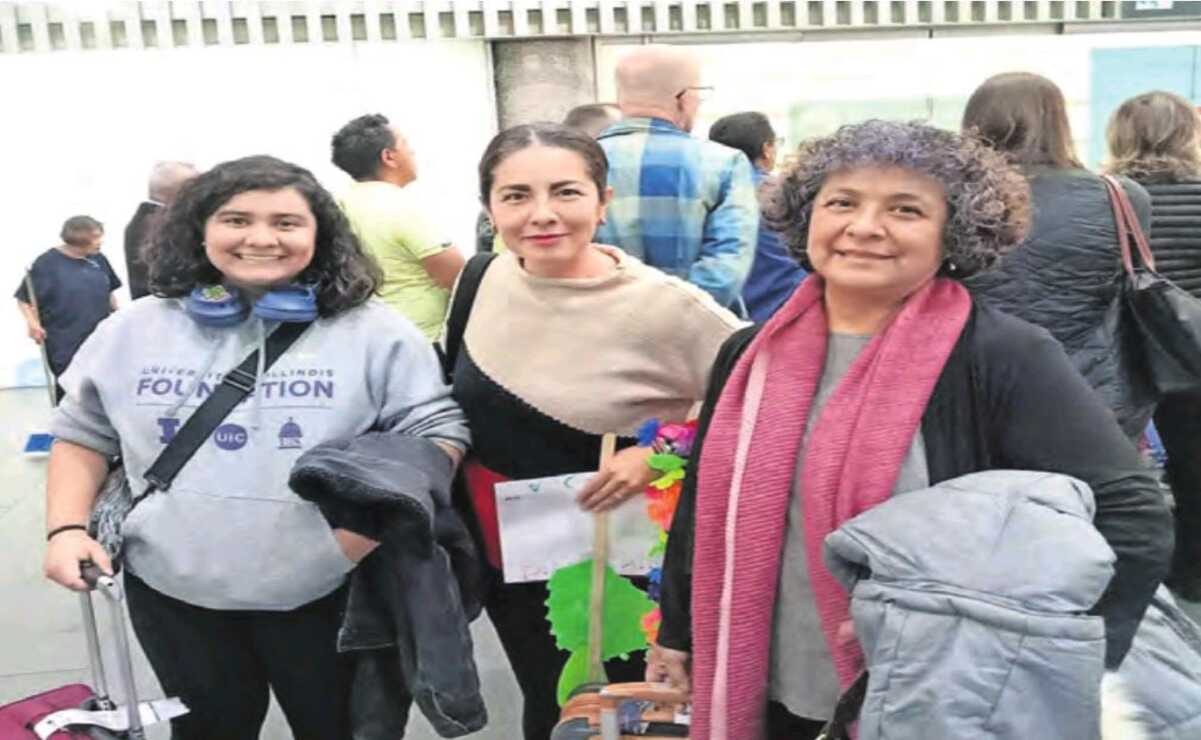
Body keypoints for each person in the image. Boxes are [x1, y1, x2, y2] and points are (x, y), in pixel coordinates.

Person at [648, 120, 1172, 739]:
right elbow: (705, 505)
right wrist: (678, 634)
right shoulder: (749, 355)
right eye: (841, 202)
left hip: (934, 696)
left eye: (905, 209)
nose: (865, 227)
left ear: (953, 233)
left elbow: (1133, 514)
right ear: (806, 217)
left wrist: (1047, 659)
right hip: (766, 685)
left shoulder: (1000, 356)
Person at [42, 155, 469, 740]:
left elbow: (436, 435)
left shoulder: (375, 331)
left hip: (329, 596)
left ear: (319, 234)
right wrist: (65, 529)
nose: (261, 238)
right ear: (200, 228)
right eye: (236, 219)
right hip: (173, 592)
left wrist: (349, 541)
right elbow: (81, 433)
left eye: (287, 222)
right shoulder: (134, 328)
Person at [448, 122, 743, 739]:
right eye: (516, 196)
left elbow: (758, 399)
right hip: (510, 553)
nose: (542, 214)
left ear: (603, 201)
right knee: (545, 692)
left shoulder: (665, 305)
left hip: (626, 558)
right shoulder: (481, 281)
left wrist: (661, 452)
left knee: (628, 711)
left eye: (567, 192)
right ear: (489, 207)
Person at [963, 71, 1156, 441]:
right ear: (1059, 124)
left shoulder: (952, 198)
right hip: (1092, 387)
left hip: (975, 385)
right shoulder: (1121, 196)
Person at [1107, 90, 1201, 601]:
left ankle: (1130, 577)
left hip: (1126, 354)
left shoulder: (1107, 198)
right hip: (1192, 353)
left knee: (1118, 470)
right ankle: (1190, 574)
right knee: (1193, 469)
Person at [596, 45, 759, 309]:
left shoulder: (577, 162)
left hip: (603, 328)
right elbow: (726, 270)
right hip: (697, 336)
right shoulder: (724, 163)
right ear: (683, 98)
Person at [331, 113, 465, 339]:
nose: (413, 152)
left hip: (365, 337)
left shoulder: (338, 207)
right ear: (389, 157)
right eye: (406, 144)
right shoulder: (400, 207)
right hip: (419, 340)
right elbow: (459, 278)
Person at [709, 111, 806, 321]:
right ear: (767, 149)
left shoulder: (706, 193)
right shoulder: (785, 193)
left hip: (721, 317)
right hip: (782, 313)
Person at [15, 215, 121, 403]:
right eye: (96, 237)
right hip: (64, 339)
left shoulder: (98, 259)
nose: (100, 241)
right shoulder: (47, 264)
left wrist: (120, 316)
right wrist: (32, 324)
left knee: (101, 388)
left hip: (99, 335)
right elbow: (24, 299)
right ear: (78, 239)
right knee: (72, 391)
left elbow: (109, 291)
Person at [124, 161, 199, 300]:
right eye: (196, 187)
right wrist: (224, 294)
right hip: (170, 310)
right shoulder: (158, 225)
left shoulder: (150, 219)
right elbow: (190, 277)